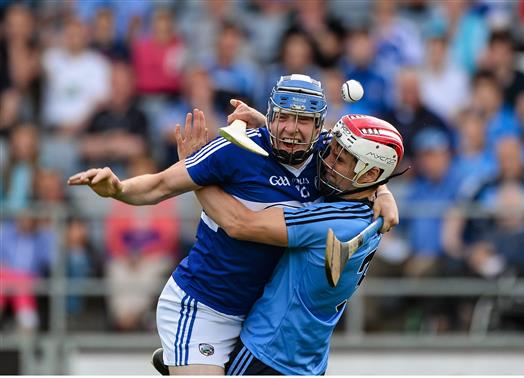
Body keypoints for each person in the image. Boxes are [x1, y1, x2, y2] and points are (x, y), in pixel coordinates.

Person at [68, 74, 399, 374]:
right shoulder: (232, 150)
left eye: (303, 121)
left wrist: (383, 190)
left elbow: (360, 157)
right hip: (205, 306)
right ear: (270, 115)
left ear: (318, 126)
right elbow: (158, 185)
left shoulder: (325, 156)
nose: (291, 129)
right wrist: (119, 189)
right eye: (283, 117)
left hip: (256, 317)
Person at [186, 114, 403, 375]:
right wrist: (384, 191)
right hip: (309, 359)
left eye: (339, 159)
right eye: (333, 151)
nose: (326, 161)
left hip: (269, 352)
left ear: (370, 175)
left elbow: (240, 224)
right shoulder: (367, 207)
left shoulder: (335, 222)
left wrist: (196, 169)